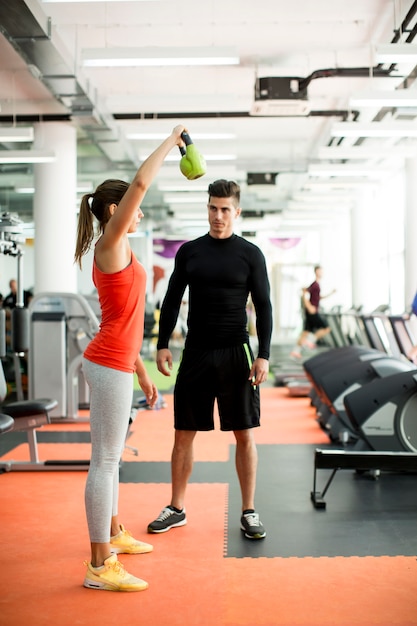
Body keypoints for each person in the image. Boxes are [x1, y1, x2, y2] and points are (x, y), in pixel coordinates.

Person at [74, 125, 187, 592]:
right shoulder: (111, 243)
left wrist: (142, 372)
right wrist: (172, 138)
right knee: (104, 461)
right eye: (133, 208)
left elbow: (127, 320)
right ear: (116, 212)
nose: (140, 212)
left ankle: (114, 533)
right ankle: (99, 564)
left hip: (119, 363)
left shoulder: (123, 249)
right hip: (105, 366)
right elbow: (140, 183)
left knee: (111, 458)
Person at [147, 179, 273, 540]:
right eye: (212, 208)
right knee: (183, 433)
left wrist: (263, 354)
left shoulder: (250, 254)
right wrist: (161, 344)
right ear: (207, 208)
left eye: (225, 209)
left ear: (237, 212)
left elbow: (263, 307)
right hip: (196, 352)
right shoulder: (190, 252)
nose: (218, 216)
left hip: (237, 351)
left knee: (244, 434)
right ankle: (177, 507)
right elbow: (171, 300)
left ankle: (249, 511)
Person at [291, 265, 335, 358]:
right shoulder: (315, 284)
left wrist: (331, 293)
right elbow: (304, 293)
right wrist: (309, 306)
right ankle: (310, 340)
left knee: (306, 332)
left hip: (311, 311)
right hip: (312, 312)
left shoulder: (316, 284)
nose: (321, 273)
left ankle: (296, 351)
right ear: (316, 272)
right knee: (326, 328)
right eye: (320, 271)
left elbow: (318, 298)